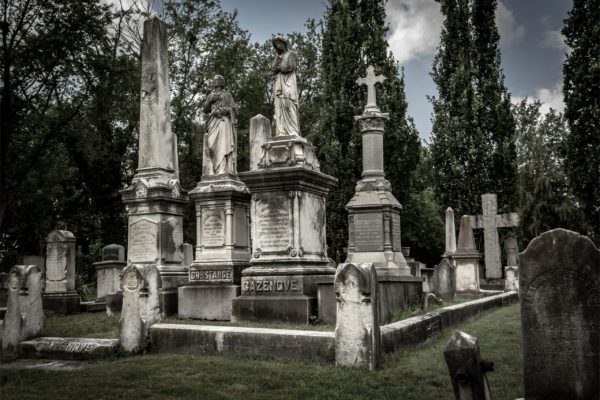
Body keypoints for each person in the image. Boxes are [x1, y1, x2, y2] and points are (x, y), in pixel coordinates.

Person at [202, 75, 238, 175]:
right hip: (212, 121)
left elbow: (234, 109)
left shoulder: (227, 95)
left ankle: (222, 169)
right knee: (211, 145)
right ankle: (213, 169)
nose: (214, 82)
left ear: (221, 82)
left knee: (223, 144)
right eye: (213, 80)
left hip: (223, 121)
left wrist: (224, 110)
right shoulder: (211, 95)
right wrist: (210, 100)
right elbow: (205, 110)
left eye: (216, 80)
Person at [271, 36, 300, 136]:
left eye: (279, 43)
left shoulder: (291, 54)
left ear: (284, 43)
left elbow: (288, 67)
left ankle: (293, 130)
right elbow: (273, 70)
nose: (277, 46)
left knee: (288, 104)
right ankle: (281, 131)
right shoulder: (277, 57)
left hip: (288, 82)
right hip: (278, 83)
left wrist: (278, 67)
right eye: (275, 45)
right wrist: (277, 67)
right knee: (278, 107)